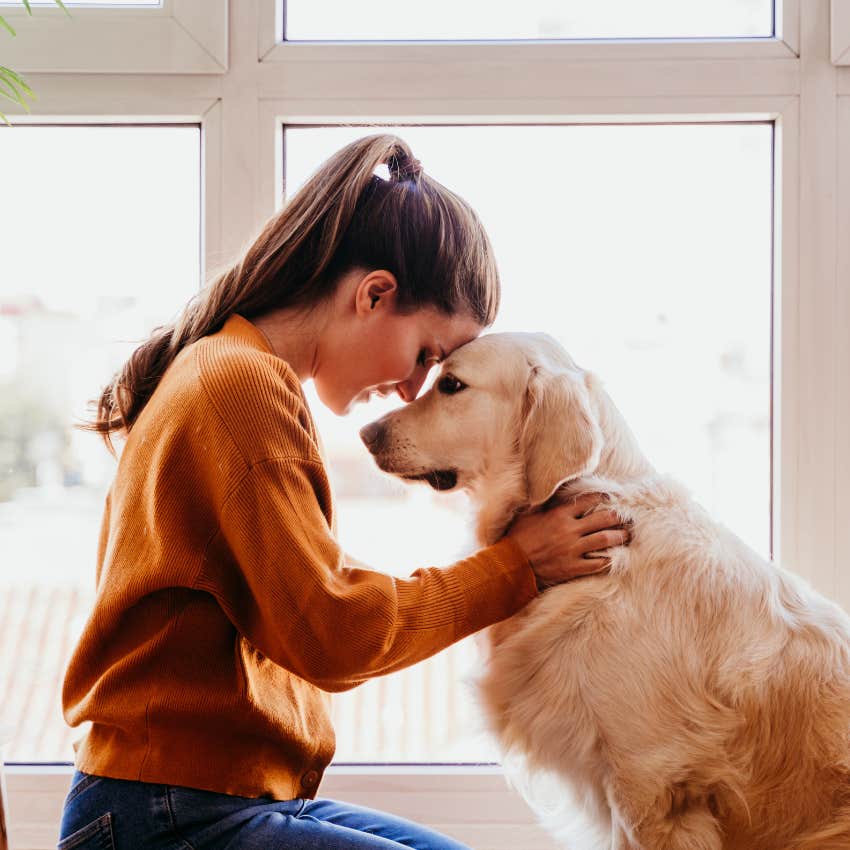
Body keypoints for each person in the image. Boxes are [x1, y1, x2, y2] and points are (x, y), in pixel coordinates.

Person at [58, 134, 631, 850]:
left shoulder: (234, 370)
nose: (412, 389)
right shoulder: (238, 385)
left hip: (205, 800)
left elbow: (310, 610)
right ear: (374, 294)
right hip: (162, 815)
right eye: (425, 354)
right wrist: (518, 566)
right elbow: (334, 632)